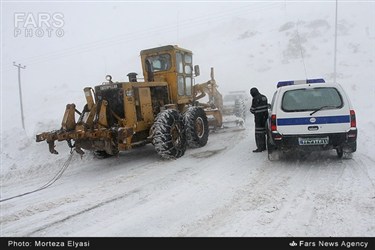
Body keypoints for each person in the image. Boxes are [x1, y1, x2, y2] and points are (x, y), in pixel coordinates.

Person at [250, 87, 269, 152]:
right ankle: (268, 146)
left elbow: (252, 110)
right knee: (267, 133)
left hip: (259, 120)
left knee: (259, 134)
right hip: (265, 119)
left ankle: (261, 148)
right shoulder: (264, 97)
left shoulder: (255, 99)